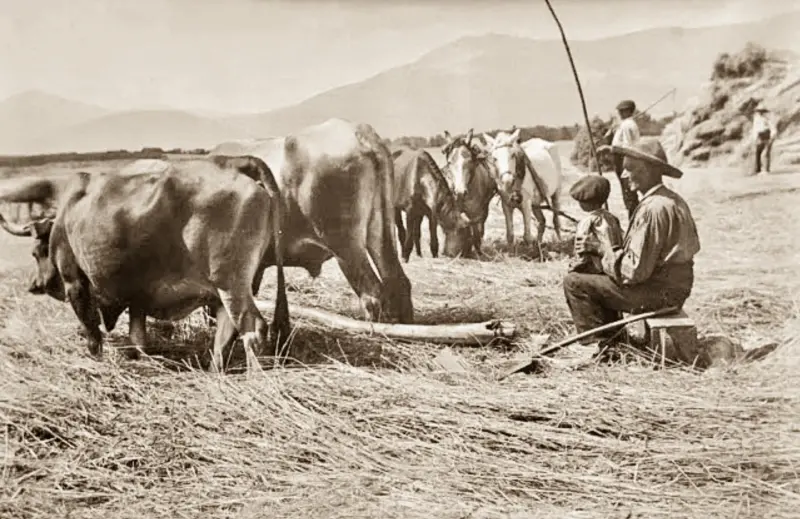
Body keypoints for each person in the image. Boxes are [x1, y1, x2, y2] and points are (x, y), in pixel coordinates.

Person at [562, 139, 701, 351]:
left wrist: (600, 249)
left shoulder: (652, 209)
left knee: (574, 282)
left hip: (658, 293)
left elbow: (634, 272)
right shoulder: (672, 200)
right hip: (675, 288)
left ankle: (599, 347)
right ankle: (613, 339)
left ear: (646, 169)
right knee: (602, 277)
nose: (624, 175)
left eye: (629, 169)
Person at [568, 174, 624, 275]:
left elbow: (581, 252)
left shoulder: (587, 222)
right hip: (614, 265)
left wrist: (573, 267)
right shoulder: (612, 218)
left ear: (584, 202)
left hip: (596, 269)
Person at [606, 99, 641, 221]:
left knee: (629, 195)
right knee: (629, 194)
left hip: (624, 160)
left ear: (628, 111)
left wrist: (609, 148)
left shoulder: (627, 125)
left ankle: (634, 221)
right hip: (623, 160)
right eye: (619, 111)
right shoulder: (627, 124)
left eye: (622, 111)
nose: (619, 113)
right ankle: (634, 219)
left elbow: (627, 147)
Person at [752, 103, 778, 174]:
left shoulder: (767, 119)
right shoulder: (756, 119)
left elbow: (773, 128)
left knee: (766, 153)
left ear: (764, 112)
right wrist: (755, 138)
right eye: (759, 111)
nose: (760, 113)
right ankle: (758, 169)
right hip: (759, 137)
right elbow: (755, 129)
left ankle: (766, 169)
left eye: (762, 111)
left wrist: (772, 137)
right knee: (758, 153)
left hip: (767, 136)